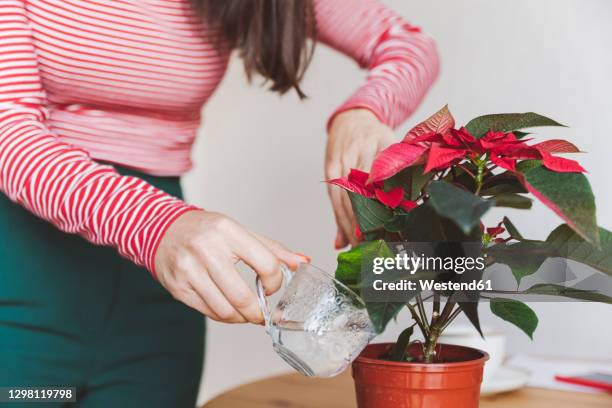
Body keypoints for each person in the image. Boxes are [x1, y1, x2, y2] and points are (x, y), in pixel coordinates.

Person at [0, 0, 438, 406]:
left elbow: (409, 44)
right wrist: (157, 225)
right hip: (25, 275)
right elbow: (10, 132)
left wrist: (363, 114)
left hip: (157, 296)